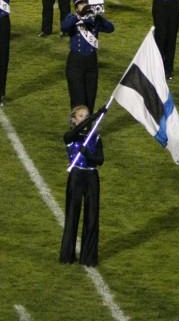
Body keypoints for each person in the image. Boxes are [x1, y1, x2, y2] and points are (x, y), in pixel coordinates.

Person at [59, 105, 104, 267]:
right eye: (81, 116)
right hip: (76, 176)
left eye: (86, 116)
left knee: (92, 217)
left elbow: (100, 160)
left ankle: (89, 258)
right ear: (73, 119)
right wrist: (94, 117)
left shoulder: (96, 137)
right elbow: (74, 133)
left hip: (91, 176)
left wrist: (88, 154)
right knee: (72, 215)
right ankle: (67, 255)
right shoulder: (70, 137)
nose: (84, 118)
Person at [62, 0, 115, 110]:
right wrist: (80, 15)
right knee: (78, 100)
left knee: (90, 99)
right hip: (75, 63)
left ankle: (89, 130)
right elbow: (64, 27)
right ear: (76, 6)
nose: (85, 6)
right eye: (82, 3)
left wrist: (97, 15)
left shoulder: (95, 20)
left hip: (92, 62)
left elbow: (110, 28)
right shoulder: (72, 18)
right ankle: (78, 128)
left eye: (87, 3)